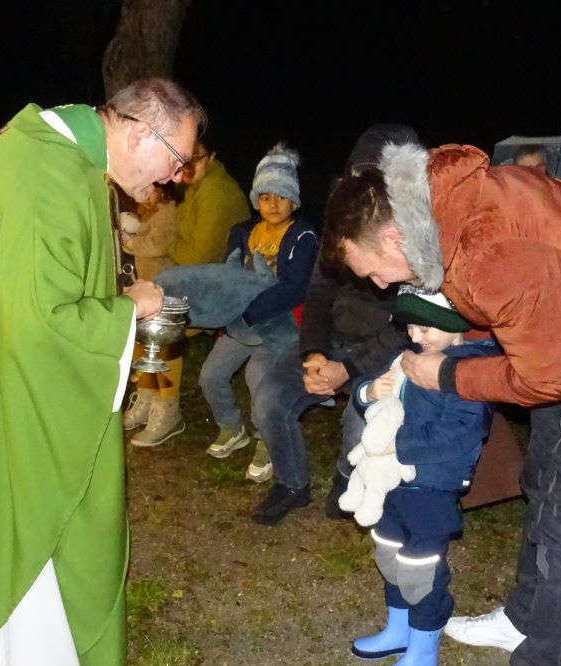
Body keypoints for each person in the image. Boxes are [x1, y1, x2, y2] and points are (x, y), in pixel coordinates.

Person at [321, 140, 561, 666]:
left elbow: (548, 378)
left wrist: (449, 373)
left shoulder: (489, 253)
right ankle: (520, 619)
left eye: (374, 272)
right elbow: (504, 321)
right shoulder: (437, 213)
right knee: (542, 480)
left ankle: (544, 653)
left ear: (395, 237)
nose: (380, 286)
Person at [0, 77, 203, 666]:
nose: (176, 179)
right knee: (31, 554)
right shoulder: (47, 176)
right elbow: (41, 325)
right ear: (140, 133)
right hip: (23, 414)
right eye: (177, 160)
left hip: (0, 384)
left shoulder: (50, 156)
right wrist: (129, 309)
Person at [247, 124, 413, 525]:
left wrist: (349, 370)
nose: (364, 186)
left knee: (360, 415)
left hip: (383, 351)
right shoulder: (344, 216)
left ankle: (347, 475)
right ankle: (291, 483)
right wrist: (315, 353)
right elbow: (319, 293)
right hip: (337, 338)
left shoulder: (414, 235)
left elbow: (408, 325)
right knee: (269, 398)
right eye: (358, 174)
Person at [349, 287, 499, 666]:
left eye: (425, 329)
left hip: (433, 488)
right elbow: (370, 392)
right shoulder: (410, 358)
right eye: (410, 328)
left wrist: (398, 444)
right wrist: (369, 392)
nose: (415, 336)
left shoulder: (469, 373)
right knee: (390, 554)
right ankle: (398, 630)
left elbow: (462, 431)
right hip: (393, 484)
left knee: (422, 571)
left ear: (453, 326)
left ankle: (423, 648)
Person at [197, 142, 317, 486]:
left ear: (294, 201)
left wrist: (248, 312)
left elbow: (295, 287)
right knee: (210, 375)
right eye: (265, 197)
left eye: (281, 196)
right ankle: (232, 428)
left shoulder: (303, 235)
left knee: (258, 379)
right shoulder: (243, 232)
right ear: (256, 200)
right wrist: (224, 310)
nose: (273, 204)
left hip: (280, 323)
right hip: (242, 319)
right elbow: (230, 275)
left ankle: (268, 439)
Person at [124, 137, 249, 447]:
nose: (188, 166)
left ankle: (168, 411)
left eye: (196, 158)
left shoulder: (217, 192)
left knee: (162, 322)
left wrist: (171, 245)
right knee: (141, 316)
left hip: (222, 289)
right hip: (200, 279)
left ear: (212, 157)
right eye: (184, 159)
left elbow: (197, 256)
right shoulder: (195, 188)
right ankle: (149, 394)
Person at [121, 181, 180, 280]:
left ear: (162, 191)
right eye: (142, 193)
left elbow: (158, 245)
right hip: (148, 275)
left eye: (148, 192)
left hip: (160, 277)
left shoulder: (168, 213)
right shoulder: (153, 212)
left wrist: (132, 244)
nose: (145, 198)